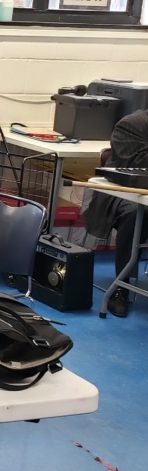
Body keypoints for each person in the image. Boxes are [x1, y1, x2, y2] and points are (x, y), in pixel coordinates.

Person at [81, 108, 148, 318]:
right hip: (125, 193)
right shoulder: (131, 124)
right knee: (137, 214)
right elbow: (140, 164)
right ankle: (121, 287)